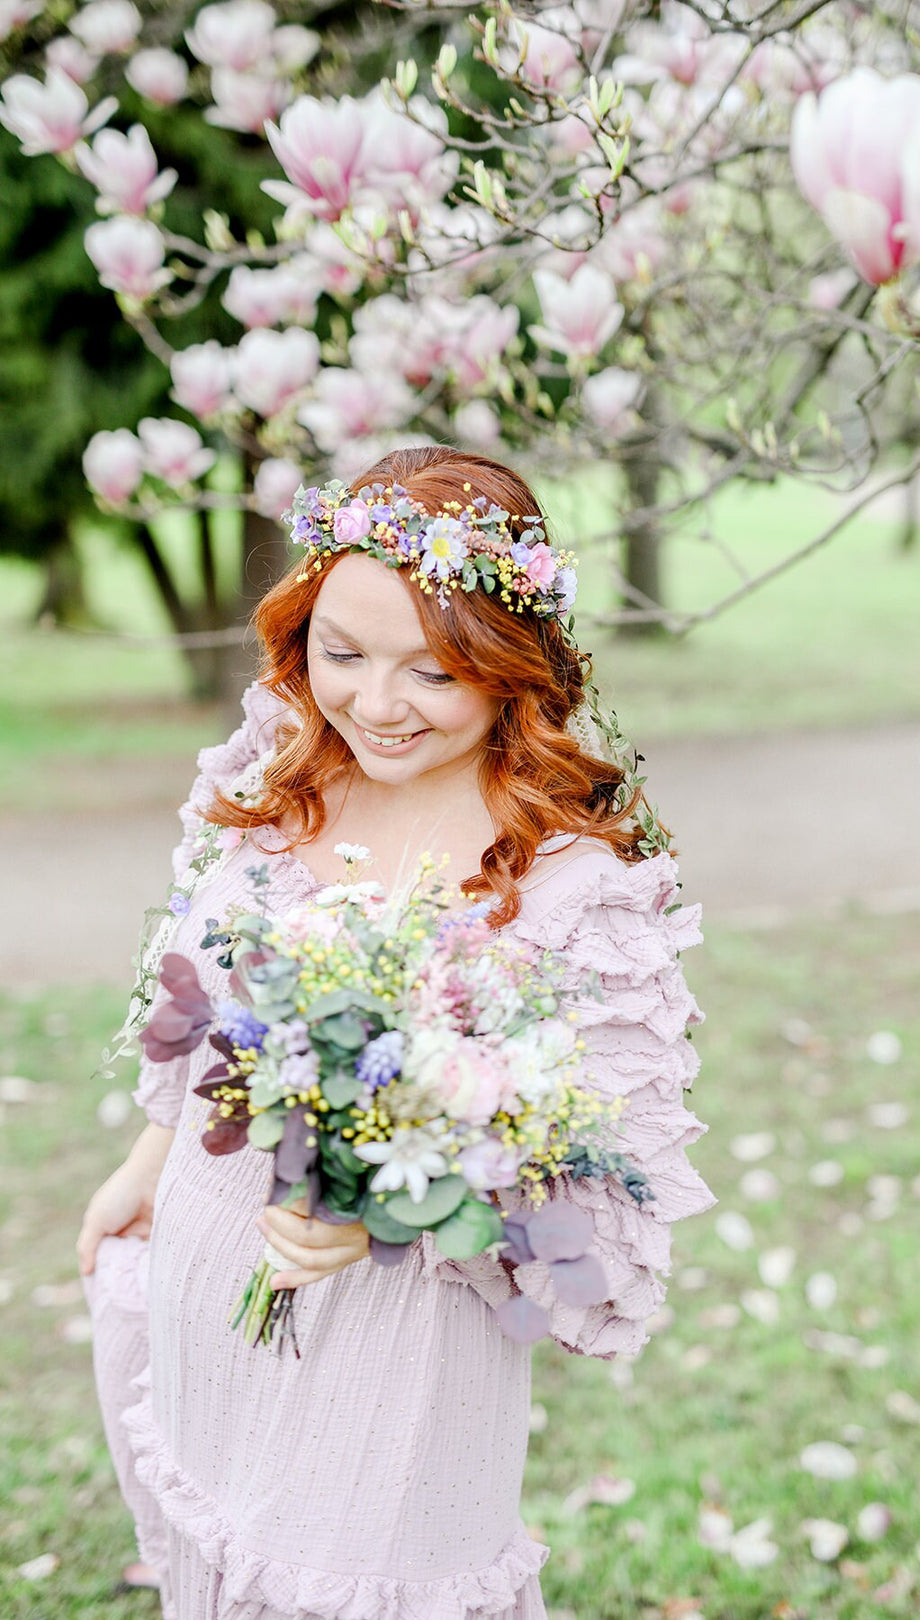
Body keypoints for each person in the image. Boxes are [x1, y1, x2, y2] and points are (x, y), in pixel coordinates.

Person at [77, 445, 714, 1620]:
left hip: (402, 1350)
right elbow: (203, 984)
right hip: (216, 1254)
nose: (376, 703)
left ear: (511, 664)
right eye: (344, 652)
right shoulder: (284, 778)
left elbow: (604, 1225)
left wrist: (391, 1211)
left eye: (433, 669)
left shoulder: (582, 890)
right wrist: (152, 1155)